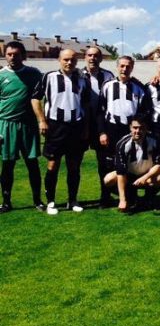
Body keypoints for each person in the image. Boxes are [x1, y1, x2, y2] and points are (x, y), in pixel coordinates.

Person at [31, 49, 91, 215]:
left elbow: (85, 105)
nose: (69, 63)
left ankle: (72, 200)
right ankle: (51, 202)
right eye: (66, 59)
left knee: (74, 166)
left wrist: (86, 128)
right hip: (55, 127)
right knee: (53, 165)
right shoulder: (48, 77)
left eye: (72, 60)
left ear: (77, 61)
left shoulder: (82, 79)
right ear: (59, 60)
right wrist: (42, 120)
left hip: (76, 127)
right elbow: (35, 98)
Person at [98, 56, 150, 201]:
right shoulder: (107, 85)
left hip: (130, 132)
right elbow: (100, 111)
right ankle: (105, 196)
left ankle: (130, 194)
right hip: (111, 129)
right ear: (117, 67)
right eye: (122, 66)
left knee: (129, 163)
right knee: (107, 165)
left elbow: (143, 111)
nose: (124, 69)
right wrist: (102, 132)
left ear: (132, 68)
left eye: (128, 66)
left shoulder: (139, 87)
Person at [0, 41, 44, 212]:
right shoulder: (1, 75)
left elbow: (48, 88)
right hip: (6, 125)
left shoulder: (33, 74)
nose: (12, 57)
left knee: (32, 164)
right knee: (8, 165)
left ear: (23, 56)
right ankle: (6, 202)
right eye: (9, 54)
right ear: (5, 56)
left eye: (16, 54)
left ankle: (38, 200)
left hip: (28, 126)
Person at [102, 115, 160, 212]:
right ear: (130, 127)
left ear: (146, 128)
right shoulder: (122, 144)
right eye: (135, 128)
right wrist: (122, 200)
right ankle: (129, 195)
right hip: (128, 175)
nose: (138, 131)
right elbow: (121, 172)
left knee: (159, 179)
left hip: (147, 175)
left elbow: (158, 165)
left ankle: (148, 198)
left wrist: (145, 177)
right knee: (108, 179)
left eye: (141, 128)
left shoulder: (154, 141)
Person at [82, 46, 115, 203]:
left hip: (100, 126)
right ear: (85, 57)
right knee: (74, 163)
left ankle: (106, 195)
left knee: (104, 163)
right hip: (80, 125)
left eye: (96, 56)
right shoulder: (77, 75)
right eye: (89, 55)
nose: (92, 58)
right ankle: (73, 198)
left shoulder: (108, 76)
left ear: (101, 58)